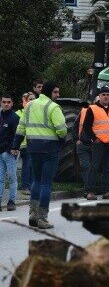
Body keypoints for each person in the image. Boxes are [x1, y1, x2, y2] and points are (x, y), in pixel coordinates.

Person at [11, 81, 67, 229]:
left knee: (36, 181)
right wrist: (62, 140)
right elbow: (62, 129)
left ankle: (33, 215)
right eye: (55, 92)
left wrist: (15, 145)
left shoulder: (29, 106)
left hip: (33, 148)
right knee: (46, 183)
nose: (58, 95)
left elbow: (21, 127)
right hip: (50, 149)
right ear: (49, 92)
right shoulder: (53, 107)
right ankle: (42, 218)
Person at [81, 87, 109, 200]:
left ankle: (106, 191)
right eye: (103, 95)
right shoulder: (92, 108)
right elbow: (86, 126)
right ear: (99, 96)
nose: (106, 96)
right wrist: (93, 138)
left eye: (107, 94)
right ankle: (90, 191)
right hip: (99, 142)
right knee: (94, 166)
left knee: (108, 167)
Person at [0, 94, 20, 211]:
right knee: (0, 178)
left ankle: (11, 201)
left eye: (8, 102)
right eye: (4, 102)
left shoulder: (15, 117)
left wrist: (14, 148)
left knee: (12, 178)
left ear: (12, 103)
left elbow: (17, 135)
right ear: (1, 103)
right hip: (0, 152)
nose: (6, 104)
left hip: (9, 153)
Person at [16, 92, 35, 195]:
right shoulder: (19, 113)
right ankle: (25, 187)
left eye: (33, 99)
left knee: (33, 166)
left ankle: (32, 187)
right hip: (24, 144)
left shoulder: (36, 112)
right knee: (27, 165)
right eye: (29, 99)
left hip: (34, 143)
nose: (32, 101)